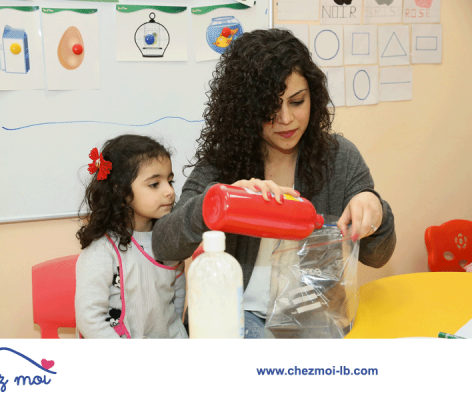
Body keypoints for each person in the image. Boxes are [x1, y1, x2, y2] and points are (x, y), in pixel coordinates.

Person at [152, 29, 397, 338]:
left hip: (313, 316)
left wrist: (375, 211)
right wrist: (218, 202)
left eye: (297, 102)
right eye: (269, 107)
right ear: (246, 108)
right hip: (237, 315)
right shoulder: (224, 162)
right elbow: (164, 243)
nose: (285, 119)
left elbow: (378, 256)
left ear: (313, 96)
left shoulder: (339, 158)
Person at [75, 134, 188, 338]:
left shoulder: (169, 239)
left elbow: (176, 302)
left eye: (170, 181)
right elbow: (89, 319)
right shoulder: (102, 250)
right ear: (122, 192)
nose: (169, 191)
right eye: (154, 184)